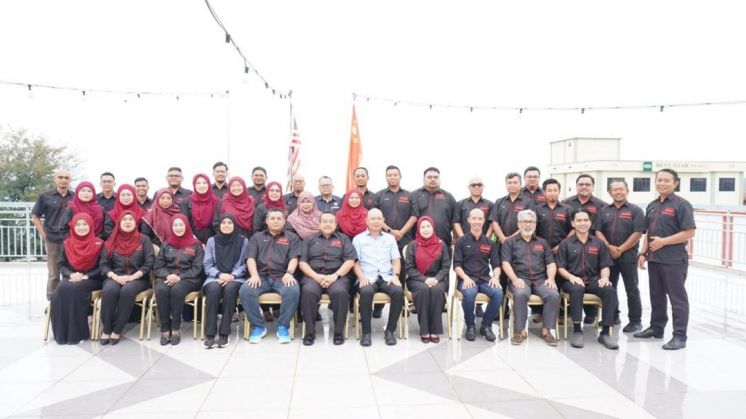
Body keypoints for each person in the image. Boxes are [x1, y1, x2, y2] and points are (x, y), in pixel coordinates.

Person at [634, 168, 696, 351]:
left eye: (666, 180)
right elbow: (648, 233)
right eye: (659, 180)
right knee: (657, 296)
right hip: (654, 259)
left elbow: (689, 232)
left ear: (675, 183)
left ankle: (679, 336)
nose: (662, 183)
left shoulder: (682, 204)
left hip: (673, 260)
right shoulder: (652, 205)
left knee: (677, 299)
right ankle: (656, 328)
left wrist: (664, 242)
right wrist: (642, 254)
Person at [556, 209, 619, 350]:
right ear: (573, 223)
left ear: (590, 223)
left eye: (586, 220)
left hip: (593, 279)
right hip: (571, 280)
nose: (582, 223)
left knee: (609, 290)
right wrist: (572, 277)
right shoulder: (565, 244)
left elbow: (605, 265)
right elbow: (560, 267)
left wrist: (604, 278)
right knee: (577, 289)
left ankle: (605, 333)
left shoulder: (599, 243)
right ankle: (577, 330)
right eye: (579, 220)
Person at [239, 209, 301, 344]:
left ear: (284, 221)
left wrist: (289, 273)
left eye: (279, 219)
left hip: (282, 276)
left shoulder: (292, 238)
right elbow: (250, 258)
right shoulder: (256, 237)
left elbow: (294, 258)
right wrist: (254, 275)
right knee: (246, 290)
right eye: (272, 218)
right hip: (261, 277)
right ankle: (258, 326)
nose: (276, 221)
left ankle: (283, 326)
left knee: (292, 290)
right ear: (267, 221)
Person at [501, 209, 560, 346]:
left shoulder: (542, 243)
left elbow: (551, 263)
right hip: (520, 278)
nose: (528, 225)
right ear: (518, 224)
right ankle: (520, 331)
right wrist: (514, 279)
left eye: (531, 222)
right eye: (525, 221)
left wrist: (551, 278)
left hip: (540, 279)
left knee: (553, 294)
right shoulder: (510, 242)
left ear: (535, 224)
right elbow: (505, 263)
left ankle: (546, 331)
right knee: (521, 294)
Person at [298, 211, 357, 345]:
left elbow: (350, 261)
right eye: (324, 221)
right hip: (313, 276)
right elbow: (302, 262)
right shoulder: (308, 240)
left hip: (337, 276)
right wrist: (317, 277)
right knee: (308, 292)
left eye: (331, 222)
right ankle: (310, 333)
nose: (328, 224)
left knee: (340, 292)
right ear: (319, 224)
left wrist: (335, 276)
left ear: (336, 224)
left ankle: (338, 333)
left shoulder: (344, 239)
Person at [595, 179, 645, 332]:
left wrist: (620, 249)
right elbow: (598, 231)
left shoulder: (636, 210)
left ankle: (635, 321)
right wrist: (609, 247)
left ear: (627, 191)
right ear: (610, 192)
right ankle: (613, 316)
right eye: (615, 189)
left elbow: (638, 233)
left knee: (632, 288)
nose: (618, 192)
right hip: (608, 256)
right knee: (610, 288)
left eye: (621, 189)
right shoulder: (603, 211)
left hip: (628, 256)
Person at [99, 211, 155, 345]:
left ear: (135, 223)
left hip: (138, 278)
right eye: (124, 219)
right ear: (119, 222)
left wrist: (132, 277)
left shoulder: (144, 240)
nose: (128, 222)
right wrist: (114, 276)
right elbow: (103, 265)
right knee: (109, 291)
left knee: (127, 291)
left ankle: (117, 329)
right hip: (115, 276)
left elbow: (149, 263)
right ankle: (107, 329)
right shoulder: (111, 241)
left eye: (131, 219)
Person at [353, 209, 404, 346]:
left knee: (398, 292)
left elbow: (396, 260)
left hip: (387, 277)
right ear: (367, 221)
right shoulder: (358, 239)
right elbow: (355, 262)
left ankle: (390, 331)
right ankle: (366, 333)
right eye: (373, 219)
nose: (376, 221)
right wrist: (361, 277)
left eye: (379, 218)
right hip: (367, 277)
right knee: (366, 292)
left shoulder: (390, 238)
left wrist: (395, 276)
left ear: (383, 221)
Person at [50, 213, 103, 344]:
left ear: (90, 226)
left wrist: (86, 276)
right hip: (72, 277)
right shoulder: (67, 243)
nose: (81, 227)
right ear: (73, 227)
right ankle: (62, 334)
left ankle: (78, 334)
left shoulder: (100, 243)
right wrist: (71, 274)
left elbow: (103, 266)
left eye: (85, 224)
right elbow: (61, 264)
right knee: (60, 290)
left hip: (93, 278)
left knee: (74, 289)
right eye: (78, 224)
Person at [562, 174, 608, 324]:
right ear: (576, 186)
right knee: (574, 282)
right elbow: (565, 226)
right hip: (571, 246)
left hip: (593, 248)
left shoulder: (601, 205)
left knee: (594, 280)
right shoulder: (566, 203)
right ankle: (570, 314)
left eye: (587, 184)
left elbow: (601, 228)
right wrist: (567, 241)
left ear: (593, 186)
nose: (584, 186)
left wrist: (605, 245)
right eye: (581, 184)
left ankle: (592, 313)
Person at [153, 214, 205, 345]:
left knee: (177, 290)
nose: (178, 228)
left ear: (186, 225)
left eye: (181, 224)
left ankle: (175, 329)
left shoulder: (196, 245)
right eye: (175, 225)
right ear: (171, 227)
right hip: (167, 277)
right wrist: (168, 275)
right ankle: (165, 329)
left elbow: (197, 268)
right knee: (160, 289)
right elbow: (158, 266)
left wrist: (180, 277)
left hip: (190, 279)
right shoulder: (166, 244)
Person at [453, 209, 502, 342]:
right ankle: (470, 325)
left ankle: (486, 325)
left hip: (484, 279)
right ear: (469, 220)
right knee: (469, 294)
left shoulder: (490, 242)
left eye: (480, 219)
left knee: (498, 293)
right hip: (467, 279)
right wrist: (465, 278)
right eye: (474, 218)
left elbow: (496, 264)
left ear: (484, 221)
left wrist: (496, 277)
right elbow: (456, 265)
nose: (477, 221)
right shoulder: (461, 241)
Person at [202, 214, 249, 349]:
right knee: (213, 290)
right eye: (223, 223)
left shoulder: (243, 241)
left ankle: (224, 332)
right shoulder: (212, 241)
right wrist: (220, 274)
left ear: (235, 225)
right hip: (215, 277)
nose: (226, 225)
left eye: (229, 223)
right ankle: (210, 333)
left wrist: (232, 275)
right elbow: (207, 264)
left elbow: (245, 264)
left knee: (230, 290)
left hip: (236, 277)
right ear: (219, 225)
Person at [405, 216, 450, 343]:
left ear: (433, 227)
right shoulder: (413, 245)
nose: (426, 229)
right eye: (422, 227)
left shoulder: (441, 244)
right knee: (423, 290)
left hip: (437, 278)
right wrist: (424, 279)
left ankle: (435, 330)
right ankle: (424, 330)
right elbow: (409, 268)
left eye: (428, 226)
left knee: (437, 291)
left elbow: (446, 266)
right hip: (417, 279)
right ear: (418, 229)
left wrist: (436, 278)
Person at [33, 169, 74, 298]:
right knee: (54, 273)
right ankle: (52, 301)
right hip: (52, 239)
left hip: (71, 240)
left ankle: (68, 299)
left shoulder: (75, 197)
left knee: (71, 271)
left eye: (66, 178)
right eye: (60, 177)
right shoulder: (45, 196)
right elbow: (36, 216)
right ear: (55, 179)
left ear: (70, 180)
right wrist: (43, 234)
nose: (63, 180)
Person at [411, 167, 459, 249]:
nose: (433, 179)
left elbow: (455, 220)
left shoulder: (448, 197)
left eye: (436, 177)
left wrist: (455, 238)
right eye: (429, 177)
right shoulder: (413, 196)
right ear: (423, 179)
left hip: (443, 243)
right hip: (418, 245)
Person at [375, 165, 418, 251]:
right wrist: (390, 231)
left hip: (405, 239)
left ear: (400, 176)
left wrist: (401, 233)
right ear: (386, 177)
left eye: (395, 175)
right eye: (389, 175)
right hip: (383, 238)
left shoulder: (409, 195)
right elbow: (375, 217)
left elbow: (414, 217)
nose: (392, 177)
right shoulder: (379, 195)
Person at [489, 172, 535, 245]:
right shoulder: (499, 202)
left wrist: (511, 239)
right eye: (509, 183)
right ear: (506, 185)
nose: (512, 185)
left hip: (521, 243)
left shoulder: (528, 202)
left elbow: (529, 223)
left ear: (520, 184)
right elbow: (494, 222)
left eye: (515, 182)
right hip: (501, 243)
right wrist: (502, 238)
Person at [182, 174, 218, 244]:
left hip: (214, 241)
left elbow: (219, 223)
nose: (201, 186)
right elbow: (184, 222)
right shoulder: (187, 201)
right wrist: (195, 240)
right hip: (192, 241)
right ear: (194, 185)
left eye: (204, 183)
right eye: (198, 183)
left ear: (209, 184)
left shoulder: (217, 201)